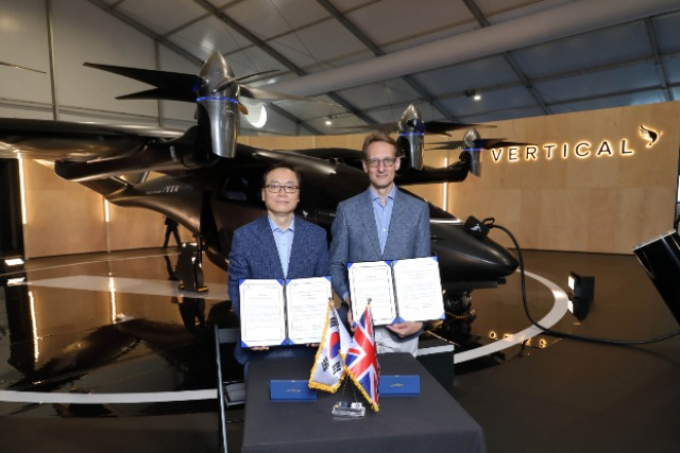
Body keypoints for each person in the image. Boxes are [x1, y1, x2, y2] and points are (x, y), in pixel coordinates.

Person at [330, 132, 431, 356]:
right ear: (365, 166)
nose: (381, 168)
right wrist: (349, 299)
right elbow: (335, 265)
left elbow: (423, 271)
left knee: (399, 390)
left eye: (387, 160)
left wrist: (420, 321)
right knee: (355, 392)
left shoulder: (418, 210)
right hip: (357, 328)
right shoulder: (347, 210)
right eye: (374, 161)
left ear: (397, 163)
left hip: (403, 329)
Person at [227, 163, 330, 374]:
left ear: (298, 195)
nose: (282, 192)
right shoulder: (244, 237)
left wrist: (320, 328)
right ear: (264, 194)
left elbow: (323, 285)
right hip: (261, 348)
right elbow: (236, 288)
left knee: (314, 406)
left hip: (308, 348)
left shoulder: (317, 236)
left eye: (290, 187)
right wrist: (251, 330)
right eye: (274, 186)